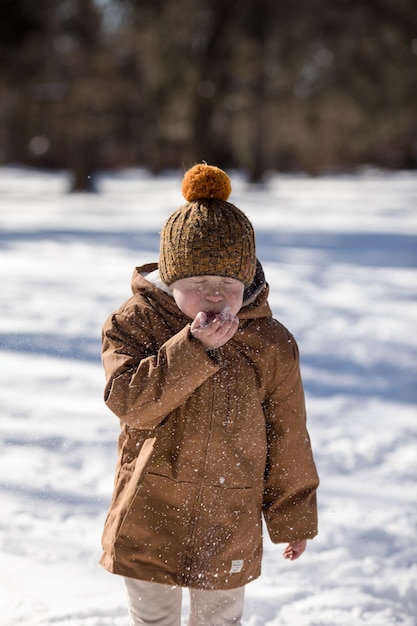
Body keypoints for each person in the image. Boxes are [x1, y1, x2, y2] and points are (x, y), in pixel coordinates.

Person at [100, 164, 319, 626]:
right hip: (151, 502)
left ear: (249, 283)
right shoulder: (136, 323)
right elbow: (130, 403)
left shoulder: (271, 342)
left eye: (229, 286)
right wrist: (192, 348)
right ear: (171, 279)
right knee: (153, 618)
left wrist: (292, 516)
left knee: (219, 621)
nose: (216, 298)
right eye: (199, 286)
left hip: (228, 511)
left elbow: (288, 433)